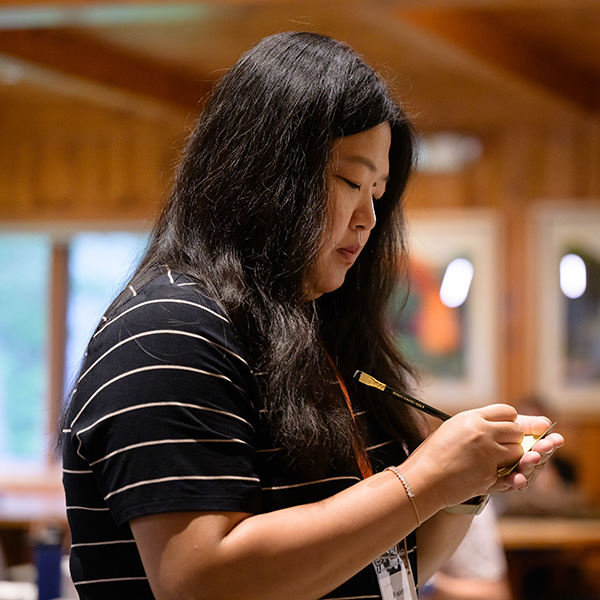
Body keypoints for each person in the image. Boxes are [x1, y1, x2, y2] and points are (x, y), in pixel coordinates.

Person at [60, 31, 563, 600]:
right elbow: (199, 580)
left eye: (377, 191)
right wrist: (424, 479)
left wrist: (467, 485)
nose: (369, 218)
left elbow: (383, 567)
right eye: (350, 181)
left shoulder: (313, 331)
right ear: (265, 173)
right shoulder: (168, 327)